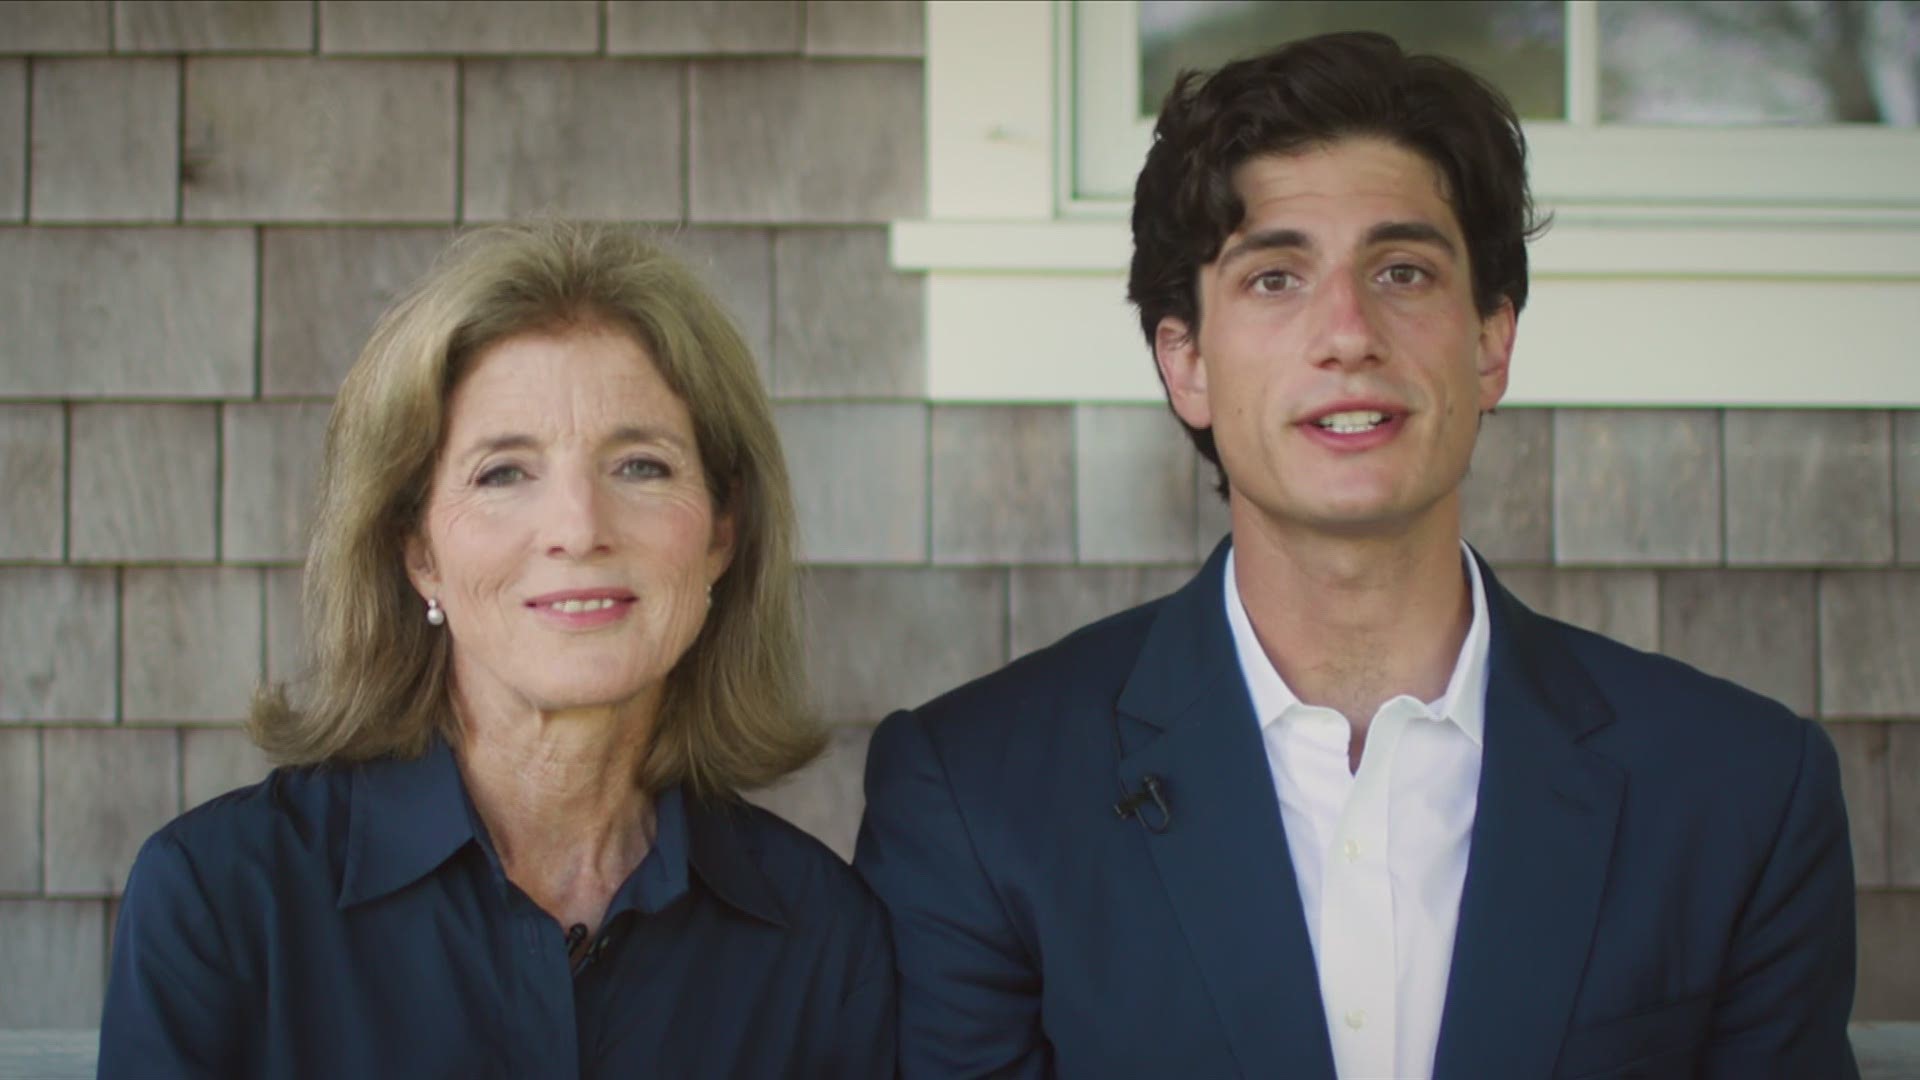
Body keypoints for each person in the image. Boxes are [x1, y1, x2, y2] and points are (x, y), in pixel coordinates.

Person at [855, 31, 1857, 1080]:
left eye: (1404, 271)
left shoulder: (1739, 793)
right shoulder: (976, 796)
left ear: (1490, 344)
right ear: (1185, 362)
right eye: (1277, 278)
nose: (1348, 332)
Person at [99, 222, 895, 1078]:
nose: (579, 528)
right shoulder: (223, 900)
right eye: (503, 473)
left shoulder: (820, 934)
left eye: (640, 466)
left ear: (723, 532)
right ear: (417, 551)